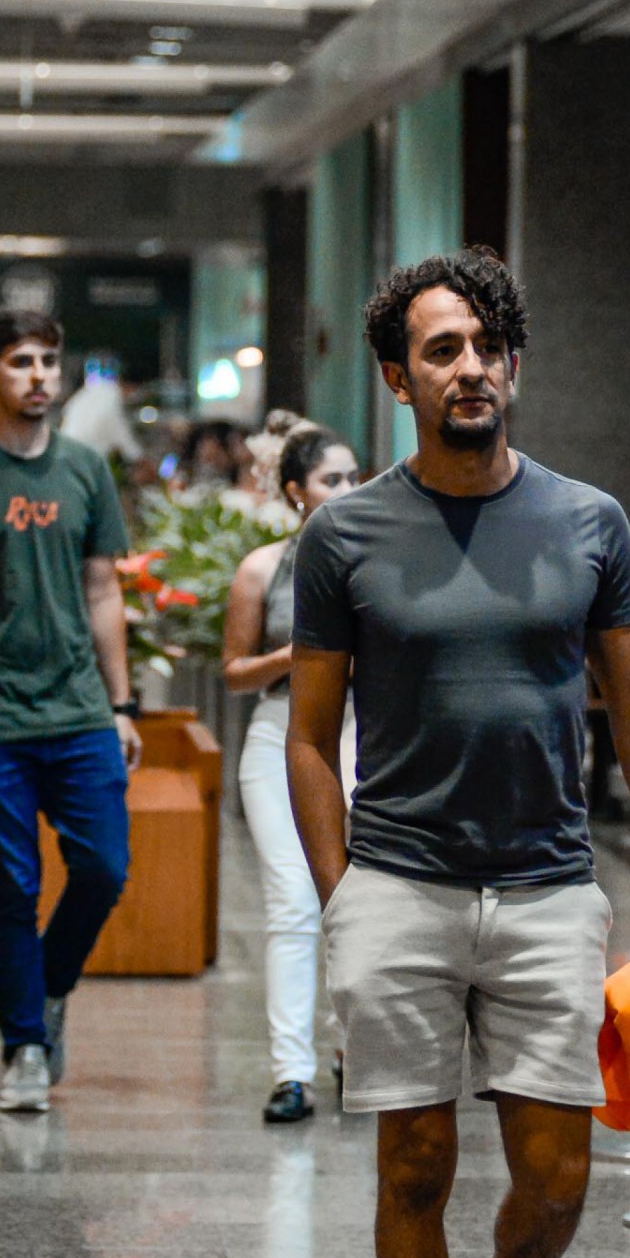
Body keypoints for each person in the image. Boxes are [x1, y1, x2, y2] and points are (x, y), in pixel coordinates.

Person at [286, 246, 630, 1258]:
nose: (469, 368)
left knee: (557, 1178)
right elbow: (309, 736)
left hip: (545, 888)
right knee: (414, 1166)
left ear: (514, 363)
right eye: (442, 350)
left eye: (487, 347)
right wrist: (342, 896)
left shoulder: (588, 522)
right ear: (397, 379)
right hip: (400, 886)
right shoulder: (345, 535)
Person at [0, 307, 141, 1115]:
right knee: (10, 889)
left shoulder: (85, 467)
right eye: (20, 362)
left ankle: (47, 988)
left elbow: (103, 591)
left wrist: (123, 703)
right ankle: (26, 1048)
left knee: (105, 868)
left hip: (79, 708)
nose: (38, 375)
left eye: (49, 360)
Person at [224, 423, 360, 1123]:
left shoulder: (380, 560)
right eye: (332, 480)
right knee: (292, 900)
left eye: (355, 477)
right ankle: (290, 1073)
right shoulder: (263, 568)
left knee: (358, 901)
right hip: (279, 731)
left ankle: (353, 1050)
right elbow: (235, 671)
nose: (348, 490)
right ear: (295, 491)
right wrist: (301, 654)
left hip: (363, 733)